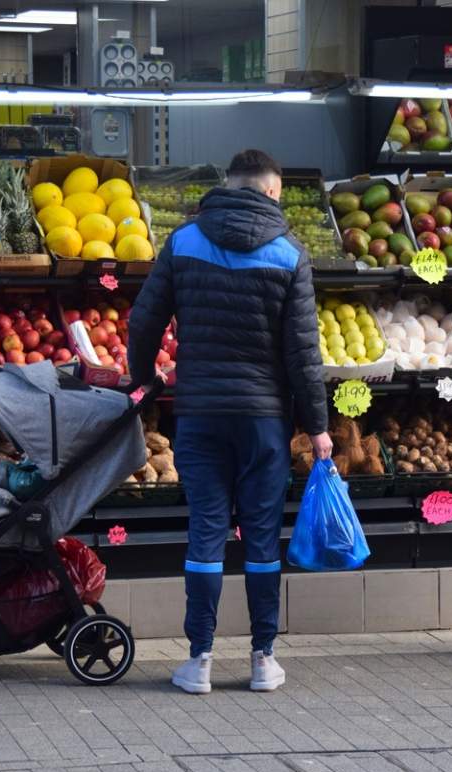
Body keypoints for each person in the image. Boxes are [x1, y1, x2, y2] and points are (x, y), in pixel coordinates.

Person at [128, 149, 331, 695]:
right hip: (264, 419)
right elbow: (303, 355)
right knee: (262, 536)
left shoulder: (185, 241)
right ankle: (263, 658)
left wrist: (142, 378)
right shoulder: (291, 254)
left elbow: (144, 319)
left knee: (207, 533)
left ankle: (199, 660)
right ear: (270, 192)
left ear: (229, 185)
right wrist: (318, 427)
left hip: (200, 414)